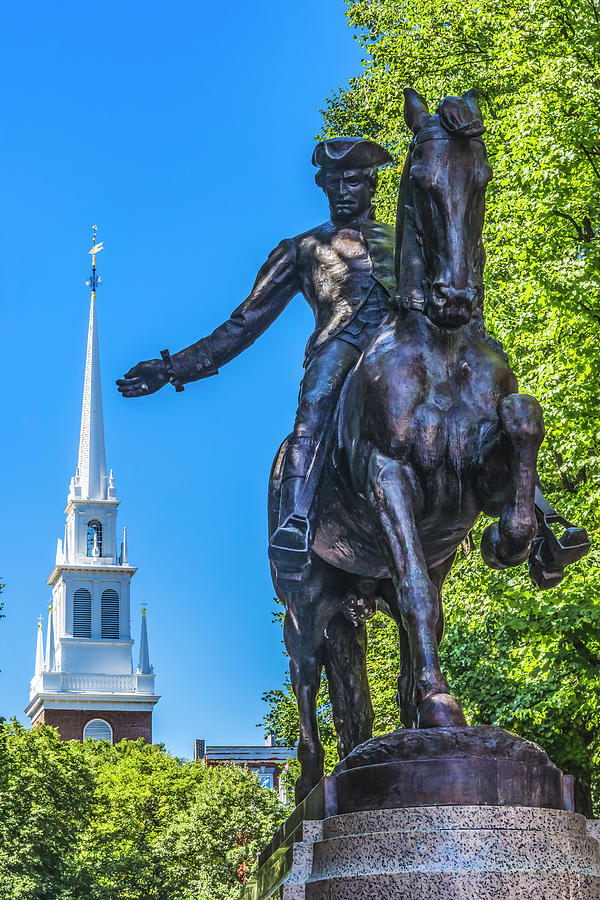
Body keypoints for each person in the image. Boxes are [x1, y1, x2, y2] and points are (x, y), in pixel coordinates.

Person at [117, 137, 396, 568]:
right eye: (333, 183)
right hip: (344, 345)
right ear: (322, 186)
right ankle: (299, 517)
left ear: (372, 183)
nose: (343, 191)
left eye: (353, 181)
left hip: (403, 349)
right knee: (315, 406)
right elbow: (244, 324)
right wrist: (173, 368)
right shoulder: (301, 249)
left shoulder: (407, 242)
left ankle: (529, 504)